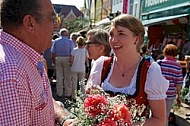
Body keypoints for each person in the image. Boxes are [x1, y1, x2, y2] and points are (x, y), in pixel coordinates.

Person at [86, 14, 169, 126]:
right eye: (111, 34)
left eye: (121, 34)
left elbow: (159, 120)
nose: (114, 40)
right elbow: (89, 108)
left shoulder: (150, 71)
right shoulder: (100, 65)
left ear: (136, 39)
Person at [0, 0, 68, 125]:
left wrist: (62, 116)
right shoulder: (12, 74)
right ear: (30, 23)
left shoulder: (24, 59)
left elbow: (41, 100)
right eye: (52, 18)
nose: (56, 26)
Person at [156, 44, 183, 126]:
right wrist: (179, 96)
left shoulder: (159, 63)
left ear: (165, 52)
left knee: (154, 115)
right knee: (165, 116)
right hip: (170, 95)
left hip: (157, 94)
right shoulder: (177, 66)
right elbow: (178, 84)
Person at [51, 28, 73, 98]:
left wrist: (54, 61)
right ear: (66, 34)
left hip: (58, 58)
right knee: (67, 76)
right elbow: (72, 52)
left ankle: (59, 93)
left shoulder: (56, 41)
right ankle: (68, 93)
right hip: (67, 58)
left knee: (59, 76)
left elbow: (53, 52)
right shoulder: (70, 41)